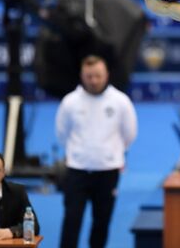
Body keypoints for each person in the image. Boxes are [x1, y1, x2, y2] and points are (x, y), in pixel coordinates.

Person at [56, 55, 137, 248]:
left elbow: (130, 134)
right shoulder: (70, 102)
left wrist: (112, 153)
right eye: (89, 76)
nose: (93, 81)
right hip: (77, 171)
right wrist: (78, 153)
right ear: (82, 76)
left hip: (107, 171)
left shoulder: (121, 101)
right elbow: (61, 133)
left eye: (98, 76)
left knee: (101, 223)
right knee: (71, 220)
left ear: (106, 75)